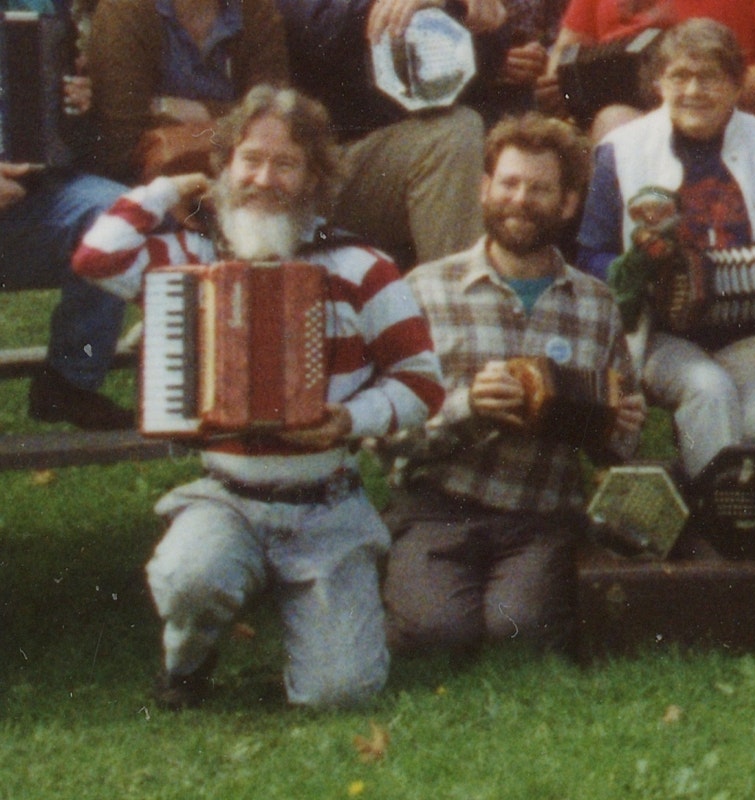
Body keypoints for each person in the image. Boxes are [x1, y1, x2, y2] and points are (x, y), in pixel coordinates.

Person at [73, 85, 444, 708]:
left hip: (327, 505)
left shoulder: (362, 266)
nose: (264, 177)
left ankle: (320, 644)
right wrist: (166, 191)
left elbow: (422, 381)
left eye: (285, 163)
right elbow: (96, 259)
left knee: (340, 695)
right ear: (225, 167)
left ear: (314, 178)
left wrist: (349, 419)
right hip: (227, 495)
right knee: (190, 576)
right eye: (250, 159)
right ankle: (185, 662)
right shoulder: (192, 258)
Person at [382, 112, 646, 657]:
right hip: (438, 507)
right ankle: (407, 582)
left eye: (539, 188)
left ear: (568, 203)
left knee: (515, 631)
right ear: (484, 189)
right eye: (508, 183)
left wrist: (619, 428)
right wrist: (466, 408)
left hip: (539, 514)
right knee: (437, 635)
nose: (520, 199)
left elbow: (616, 447)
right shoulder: (426, 290)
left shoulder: (595, 305)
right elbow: (384, 440)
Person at [575, 19, 755, 480]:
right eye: (679, 76)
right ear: (658, 82)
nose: (693, 90)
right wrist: (636, 270)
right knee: (708, 390)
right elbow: (591, 256)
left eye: (710, 77)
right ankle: (714, 513)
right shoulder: (622, 150)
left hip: (753, 332)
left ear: (737, 84)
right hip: (661, 335)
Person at [274, 0, 504, 268]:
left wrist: (469, 13)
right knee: (453, 137)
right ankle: (457, 297)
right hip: (319, 164)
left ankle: (459, 297)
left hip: (401, 153)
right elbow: (316, 26)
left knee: (461, 130)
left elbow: (483, 60)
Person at [1, 0, 132, 429]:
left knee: (115, 214)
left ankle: (69, 383)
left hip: (35, 204)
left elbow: (66, 135)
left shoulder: (41, 7)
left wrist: (75, 101)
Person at [538, 0, 755, 142]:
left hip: (722, 123)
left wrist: (704, 93)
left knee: (618, 123)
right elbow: (567, 48)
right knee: (616, 122)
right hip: (613, 123)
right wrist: (559, 86)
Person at [87, 0, 289, 184]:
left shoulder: (256, 10)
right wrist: (237, 119)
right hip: (149, 185)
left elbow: (274, 114)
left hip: (244, 177)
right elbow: (121, 142)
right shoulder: (124, 11)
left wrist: (201, 111)